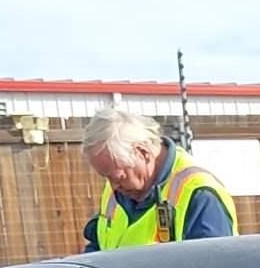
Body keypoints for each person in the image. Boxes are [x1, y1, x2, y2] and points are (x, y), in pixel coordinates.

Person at [77, 108, 239, 251]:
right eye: (107, 177)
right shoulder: (117, 186)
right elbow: (98, 246)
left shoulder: (199, 194)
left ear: (142, 152)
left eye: (118, 177)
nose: (113, 186)